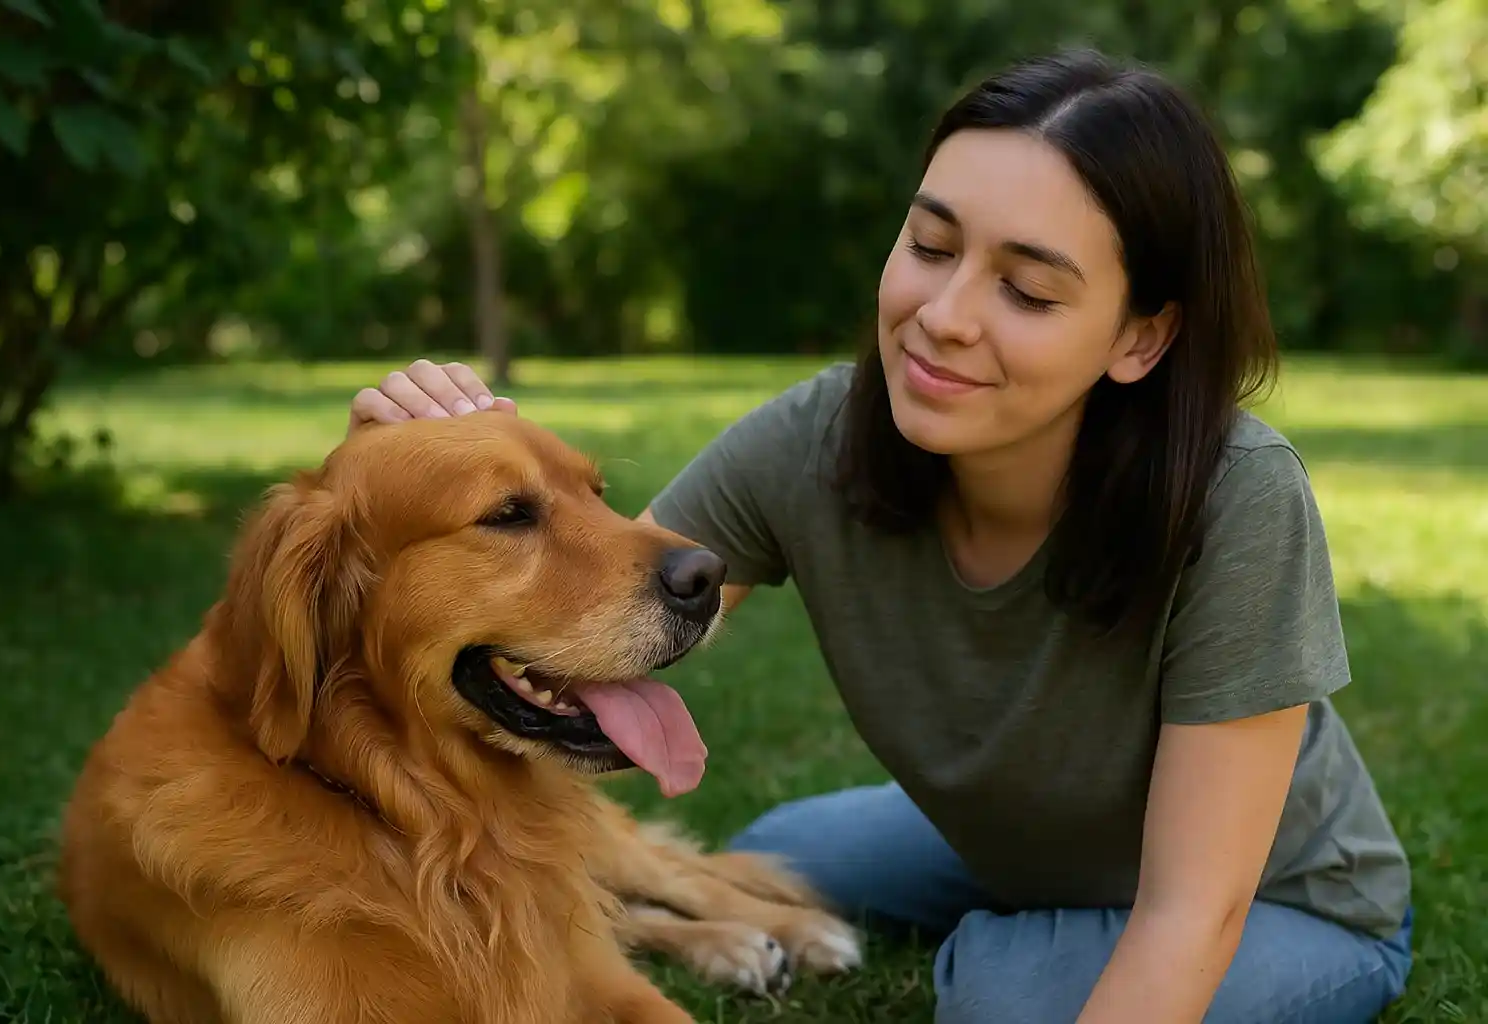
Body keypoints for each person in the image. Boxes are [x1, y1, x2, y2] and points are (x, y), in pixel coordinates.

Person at [347, 48, 1413, 1024]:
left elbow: (1192, 914)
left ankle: (1023, 952)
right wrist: (385, 480)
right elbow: (615, 606)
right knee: (780, 856)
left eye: (1028, 289)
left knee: (1002, 997)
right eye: (931, 244)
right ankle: (1031, 917)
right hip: (1024, 850)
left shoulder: (1239, 496)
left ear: (1142, 335)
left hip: (1288, 899)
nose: (944, 314)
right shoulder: (821, 435)